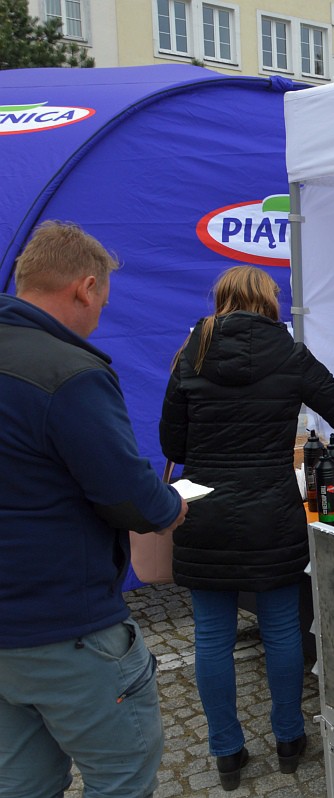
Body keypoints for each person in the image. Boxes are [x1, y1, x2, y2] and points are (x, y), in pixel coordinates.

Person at [159, 265, 334, 790]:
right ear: (269, 302)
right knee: (283, 629)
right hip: (271, 513)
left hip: (205, 512)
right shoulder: (288, 353)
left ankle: (226, 754)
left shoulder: (190, 353)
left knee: (211, 636)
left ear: (221, 301)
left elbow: (173, 445)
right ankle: (288, 739)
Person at [0, 221, 188, 798]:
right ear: (84, 287)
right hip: (65, 624)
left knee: (21, 783)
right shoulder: (67, 371)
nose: (99, 318)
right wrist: (170, 506)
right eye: (101, 303)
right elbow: (131, 496)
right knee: (122, 775)